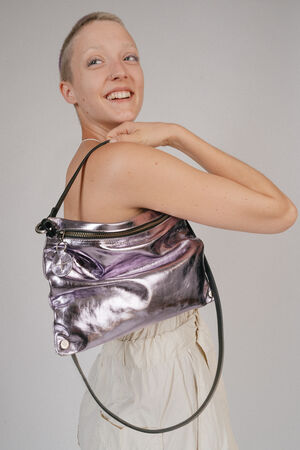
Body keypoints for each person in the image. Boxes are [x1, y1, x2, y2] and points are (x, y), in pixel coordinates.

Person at [58, 11, 298, 450]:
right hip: (164, 387)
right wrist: (177, 135)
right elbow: (280, 211)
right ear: (68, 91)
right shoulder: (123, 163)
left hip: (123, 381)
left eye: (129, 56)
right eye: (96, 61)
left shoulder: (83, 161)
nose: (120, 71)